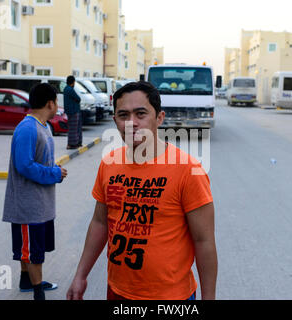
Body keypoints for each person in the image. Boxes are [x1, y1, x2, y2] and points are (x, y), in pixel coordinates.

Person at [67, 81, 217, 300]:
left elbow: (204, 241)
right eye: (123, 115)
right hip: (117, 291)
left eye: (141, 114)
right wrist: (81, 274)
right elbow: (100, 222)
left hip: (171, 297)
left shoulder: (188, 170)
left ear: (159, 118)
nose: (131, 123)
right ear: (115, 120)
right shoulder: (109, 163)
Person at [2, 83, 68, 300]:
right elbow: (24, 165)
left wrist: (54, 170)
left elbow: (40, 160)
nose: (57, 105)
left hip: (41, 203)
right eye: (56, 101)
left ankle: (26, 281)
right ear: (50, 103)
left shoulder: (43, 126)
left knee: (30, 248)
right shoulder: (27, 128)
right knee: (32, 252)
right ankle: (38, 292)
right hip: (27, 205)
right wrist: (54, 174)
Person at [64, 76, 82, 150]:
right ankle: (72, 144)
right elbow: (78, 98)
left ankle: (74, 143)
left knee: (73, 128)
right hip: (73, 111)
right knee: (74, 129)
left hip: (70, 111)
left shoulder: (66, 89)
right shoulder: (70, 89)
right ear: (73, 82)